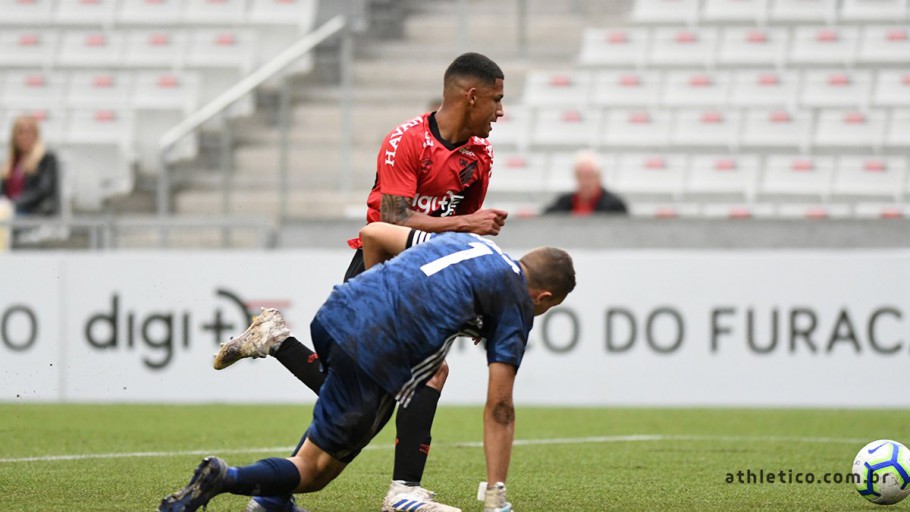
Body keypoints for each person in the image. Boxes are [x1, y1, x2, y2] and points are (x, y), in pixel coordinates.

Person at [214, 52, 509, 512]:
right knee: (413, 378)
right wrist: (467, 224)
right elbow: (393, 218)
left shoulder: (480, 156)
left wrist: (466, 299)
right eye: (496, 99)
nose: (500, 111)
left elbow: (458, 235)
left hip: (427, 277)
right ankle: (403, 492)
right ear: (471, 96)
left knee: (363, 390)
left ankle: (276, 354)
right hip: (380, 264)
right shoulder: (406, 141)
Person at [159, 222, 576, 512]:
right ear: (542, 297)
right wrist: (496, 497)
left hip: (338, 311)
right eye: (547, 307)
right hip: (380, 347)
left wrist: (376, 303)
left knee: (379, 390)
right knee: (316, 470)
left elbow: (373, 233)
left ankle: (272, 497)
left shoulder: (468, 242)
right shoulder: (517, 303)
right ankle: (224, 477)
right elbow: (500, 407)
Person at [0, 115, 60, 217]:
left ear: (36, 135)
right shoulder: (12, 162)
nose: (25, 136)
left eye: (29, 132)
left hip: (33, 213)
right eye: (20, 132)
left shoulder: (46, 159)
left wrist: (13, 204)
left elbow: (42, 190)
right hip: (9, 211)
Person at [543, 150, 626, 216]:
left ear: (599, 177)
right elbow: (546, 218)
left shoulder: (614, 206)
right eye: (581, 176)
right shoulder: (564, 203)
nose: (585, 182)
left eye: (590, 176)